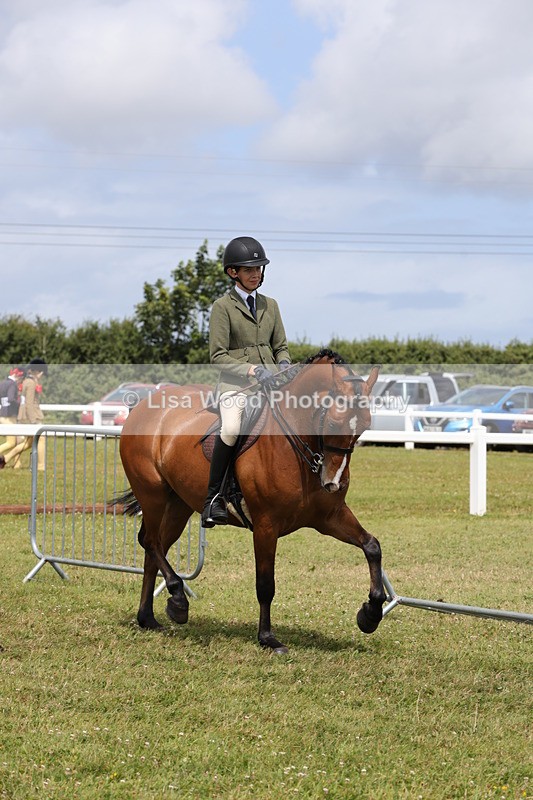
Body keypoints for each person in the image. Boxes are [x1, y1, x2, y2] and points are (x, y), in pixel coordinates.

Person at [201, 236, 291, 528]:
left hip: (272, 382)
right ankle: (214, 498)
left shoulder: (271, 305)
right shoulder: (222, 307)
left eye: (259, 268)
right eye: (249, 269)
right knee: (232, 426)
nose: (256, 274)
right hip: (236, 385)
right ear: (233, 272)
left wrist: (285, 364)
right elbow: (217, 356)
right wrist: (252, 371)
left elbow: (281, 347)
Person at [1, 358, 47, 471]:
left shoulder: (26, 381)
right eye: (41, 373)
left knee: (28, 443)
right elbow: (29, 403)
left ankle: (5, 458)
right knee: (41, 438)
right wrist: (33, 420)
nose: (42, 375)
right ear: (37, 371)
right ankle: (41, 466)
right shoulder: (31, 383)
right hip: (31, 416)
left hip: (24, 415)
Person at [0, 366, 25, 467]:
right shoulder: (13, 384)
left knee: (19, 440)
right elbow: (11, 399)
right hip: (9, 415)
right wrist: (20, 402)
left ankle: (17, 464)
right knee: (11, 442)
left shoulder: (3, 382)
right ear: (18, 375)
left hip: (2, 413)